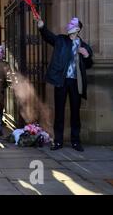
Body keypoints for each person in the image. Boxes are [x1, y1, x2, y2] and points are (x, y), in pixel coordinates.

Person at [38, 18, 93, 151]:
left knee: (75, 112)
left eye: (72, 24)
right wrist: (42, 27)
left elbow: (89, 65)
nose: (69, 25)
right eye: (69, 23)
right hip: (61, 81)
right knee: (59, 112)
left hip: (75, 82)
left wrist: (86, 56)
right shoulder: (61, 40)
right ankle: (58, 141)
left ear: (78, 29)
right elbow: (48, 37)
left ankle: (75, 141)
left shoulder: (84, 46)